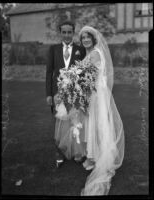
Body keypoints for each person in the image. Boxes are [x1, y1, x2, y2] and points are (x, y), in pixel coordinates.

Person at [76, 26, 125, 195]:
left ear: (94, 38)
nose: (85, 40)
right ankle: (93, 156)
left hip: (96, 94)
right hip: (96, 93)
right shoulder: (92, 53)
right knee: (94, 124)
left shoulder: (95, 53)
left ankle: (97, 158)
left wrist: (77, 83)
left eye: (88, 37)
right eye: (83, 38)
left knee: (97, 124)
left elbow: (90, 76)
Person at [46, 20, 86, 167]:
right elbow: (49, 72)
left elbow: (83, 72)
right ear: (60, 33)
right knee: (59, 124)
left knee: (75, 122)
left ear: (73, 32)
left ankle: (76, 152)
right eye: (64, 32)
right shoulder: (53, 49)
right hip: (58, 94)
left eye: (70, 32)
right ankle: (60, 154)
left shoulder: (80, 49)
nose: (67, 35)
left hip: (75, 93)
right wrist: (49, 94)